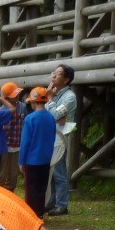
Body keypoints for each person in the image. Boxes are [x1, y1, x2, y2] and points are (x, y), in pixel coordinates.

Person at [20, 87, 58, 218]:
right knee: (42, 187)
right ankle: (40, 213)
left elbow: (25, 142)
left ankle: (31, 215)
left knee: (31, 189)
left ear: (33, 102)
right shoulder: (51, 117)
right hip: (46, 158)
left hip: (31, 160)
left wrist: (21, 160)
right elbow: (53, 137)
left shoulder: (30, 119)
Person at [45, 64, 77, 216]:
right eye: (54, 72)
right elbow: (48, 115)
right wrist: (52, 104)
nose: (54, 76)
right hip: (49, 136)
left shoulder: (69, 97)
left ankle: (62, 204)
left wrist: (50, 100)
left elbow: (54, 117)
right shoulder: (53, 94)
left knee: (59, 171)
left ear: (66, 79)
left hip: (60, 139)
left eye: (58, 74)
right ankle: (51, 202)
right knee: (50, 171)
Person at [0, 82, 26, 193]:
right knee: (2, 173)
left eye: (18, 93)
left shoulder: (22, 106)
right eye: (15, 94)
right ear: (6, 98)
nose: (18, 95)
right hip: (4, 146)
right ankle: (0, 195)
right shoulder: (0, 111)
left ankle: (10, 194)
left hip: (17, 145)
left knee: (13, 174)